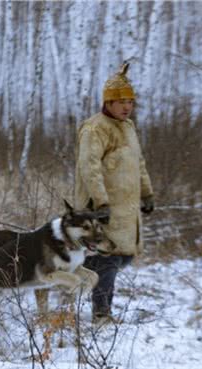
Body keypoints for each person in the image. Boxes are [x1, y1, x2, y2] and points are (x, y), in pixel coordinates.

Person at [75, 62, 154, 322]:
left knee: (123, 256)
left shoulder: (128, 127)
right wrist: (100, 202)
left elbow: (138, 162)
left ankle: (93, 291)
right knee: (106, 259)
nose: (126, 107)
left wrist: (147, 193)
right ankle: (101, 312)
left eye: (130, 102)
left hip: (126, 208)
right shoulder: (95, 128)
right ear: (107, 103)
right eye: (120, 102)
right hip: (103, 208)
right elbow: (89, 167)